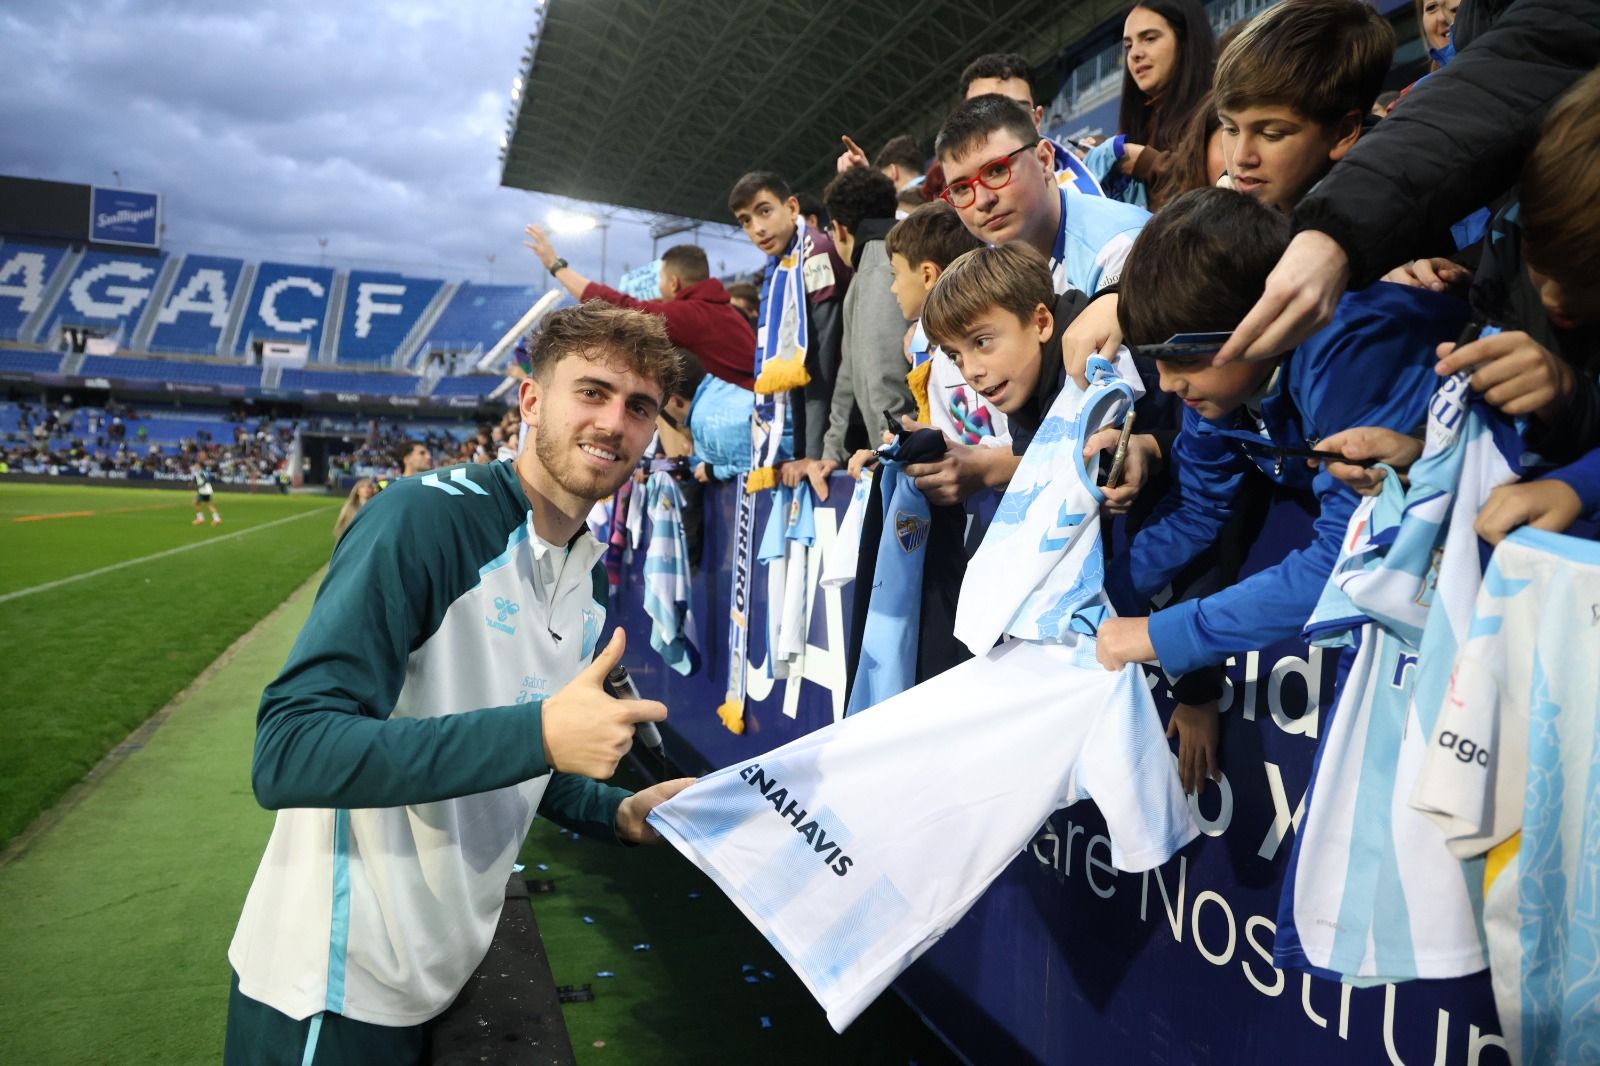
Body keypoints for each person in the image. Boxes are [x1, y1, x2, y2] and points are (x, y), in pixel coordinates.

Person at [224, 303, 696, 1064]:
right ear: (532, 402)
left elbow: (524, 771)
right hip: (334, 984)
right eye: (593, 392)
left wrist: (623, 812)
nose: (615, 422)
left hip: (439, 974)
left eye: (639, 407)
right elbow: (289, 751)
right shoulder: (422, 521)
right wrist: (539, 732)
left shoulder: (587, 575)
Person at [1092, 187, 1469, 685]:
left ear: (1266, 321)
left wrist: (1162, 635)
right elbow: (1196, 508)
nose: (1166, 382)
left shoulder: (1352, 352)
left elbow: (1348, 560)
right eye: (1156, 361)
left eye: (1182, 359)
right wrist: (1097, 607)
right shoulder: (1221, 380)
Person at [1215, 0, 1600, 366]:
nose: (1241, 156)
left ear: (1344, 132)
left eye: (1273, 133)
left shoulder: (1398, 268)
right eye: (1229, 128)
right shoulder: (1221, 219)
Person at [934, 95, 1148, 300]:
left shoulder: (1119, 250)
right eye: (961, 188)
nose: (982, 201)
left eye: (997, 170)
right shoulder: (982, 278)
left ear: (1044, 160)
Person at [794, 166, 913, 495]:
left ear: (840, 230)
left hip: (905, 465)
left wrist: (890, 452)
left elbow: (884, 377)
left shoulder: (878, 268)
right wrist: (831, 451)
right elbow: (848, 373)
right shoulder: (867, 271)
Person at [523, 230, 758, 391]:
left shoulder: (692, 315)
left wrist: (556, 267)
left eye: (662, 280)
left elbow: (621, 306)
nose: (660, 287)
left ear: (674, 283)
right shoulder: (716, 310)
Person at [728, 171, 849, 463]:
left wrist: (812, 454)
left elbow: (822, 359)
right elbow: (793, 362)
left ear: (792, 208)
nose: (757, 228)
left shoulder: (816, 252)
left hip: (844, 427)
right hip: (820, 427)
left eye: (764, 211)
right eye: (746, 221)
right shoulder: (780, 264)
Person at [1083, 0, 1217, 206]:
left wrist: (1148, 163)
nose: (1135, 53)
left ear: (1185, 41)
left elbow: (1213, 194)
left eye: (1150, 38)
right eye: (1129, 46)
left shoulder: (1218, 107)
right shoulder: (1142, 119)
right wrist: (1106, 154)